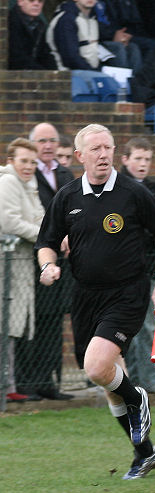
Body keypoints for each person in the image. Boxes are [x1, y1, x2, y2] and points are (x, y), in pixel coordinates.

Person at [35, 123, 155, 479]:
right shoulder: (67, 196)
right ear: (80, 156)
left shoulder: (133, 193)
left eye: (107, 147)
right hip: (84, 296)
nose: (102, 155)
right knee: (111, 382)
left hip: (126, 294)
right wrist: (49, 265)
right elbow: (46, 242)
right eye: (95, 149)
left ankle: (140, 398)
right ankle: (145, 453)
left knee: (98, 368)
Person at [13, 123, 76, 401]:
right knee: (31, 323)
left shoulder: (65, 174)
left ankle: (48, 382)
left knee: (53, 323)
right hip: (33, 260)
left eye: (52, 140)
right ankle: (28, 382)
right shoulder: (26, 174)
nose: (48, 145)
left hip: (62, 262)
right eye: (42, 141)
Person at [117, 137, 155, 394]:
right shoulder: (116, 187)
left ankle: (147, 379)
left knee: (151, 326)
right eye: (138, 158)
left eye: (147, 159)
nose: (143, 164)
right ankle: (130, 379)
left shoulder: (152, 188)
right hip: (122, 270)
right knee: (128, 329)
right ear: (125, 159)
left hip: (149, 268)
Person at [0, 139, 47, 403]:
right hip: (5, 266)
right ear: (11, 160)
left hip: (19, 265)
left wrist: (49, 234)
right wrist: (42, 235)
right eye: (24, 161)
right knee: (4, 327)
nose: (29, 166)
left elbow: (40, 217)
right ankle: (5, 390)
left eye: (33, 162)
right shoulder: (8, 182)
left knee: (9, 328)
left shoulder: (28, 184)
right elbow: (9, 222)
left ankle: (7, 387)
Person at [8, 0, 57, 70]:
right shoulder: (10, 23)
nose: (36, 4)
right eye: (31, 0)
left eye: (40, 1)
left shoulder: (39, 25)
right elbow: (16, 56)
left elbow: (45, 54)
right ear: (20, 2)